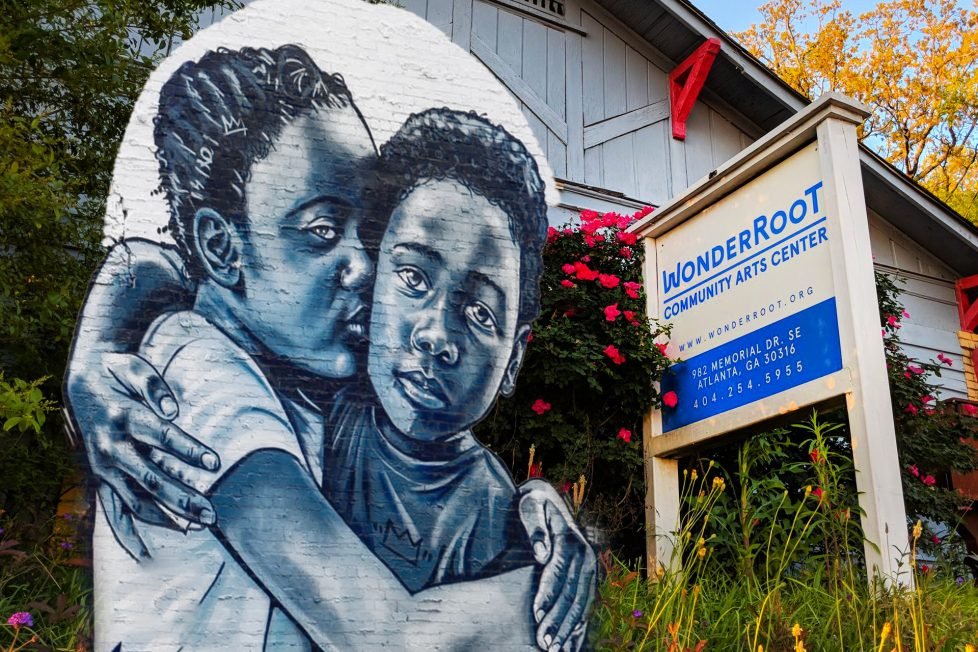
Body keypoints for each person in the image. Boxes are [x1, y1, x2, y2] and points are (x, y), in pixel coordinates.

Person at [64, 46, 592, 651]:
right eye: (321, 231)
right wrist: (558, 581)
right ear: (222, 247)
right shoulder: (201, 380)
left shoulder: (294, 380)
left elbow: (152, 263)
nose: (364, 267)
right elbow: (389, 640)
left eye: (368, 233)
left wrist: (535, 504)